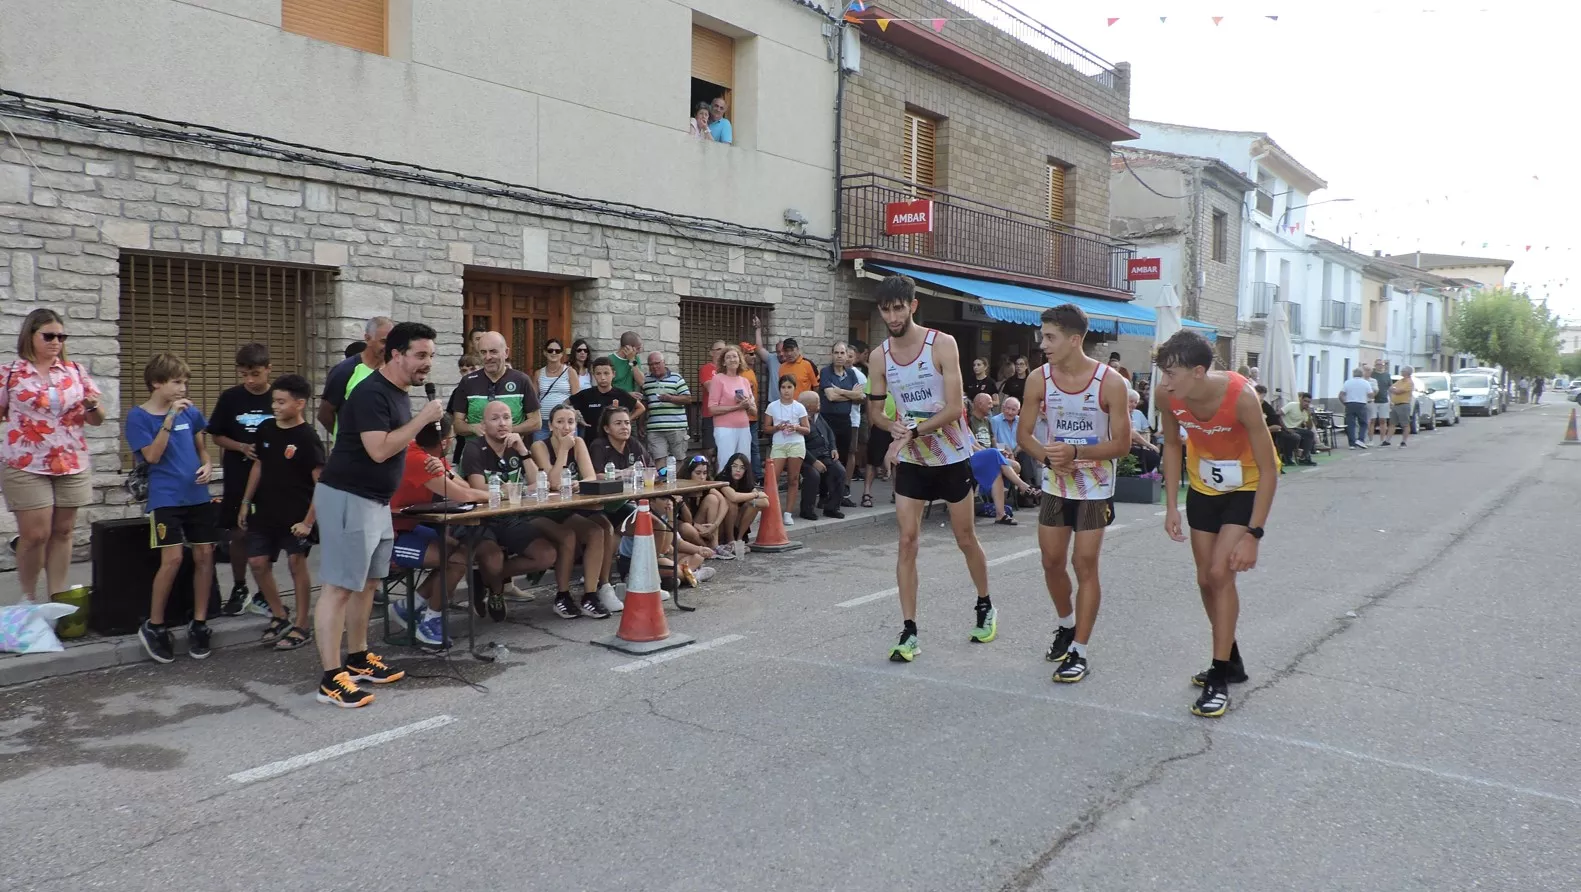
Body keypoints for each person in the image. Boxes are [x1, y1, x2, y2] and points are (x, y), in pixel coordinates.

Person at [311, 322, 444, 708]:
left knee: (368, 583)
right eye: (421, 356)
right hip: (347, 497)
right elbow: (379, 450)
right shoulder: (371, 392)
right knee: (338, 587)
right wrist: (421, 420)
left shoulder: (399, 392)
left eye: (431, 357)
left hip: (375, 502)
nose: (427, 364)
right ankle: (331, 679)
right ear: (396, 354)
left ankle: (357, 657)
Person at [867, 274, 993, 662]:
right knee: (907, 541)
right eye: (886, 309)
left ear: (913, 305)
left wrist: (914, 431)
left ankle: (985, 604)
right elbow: (874, 410)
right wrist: (892, 428)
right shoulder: (878, 356)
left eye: (898, 307)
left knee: (965, 538)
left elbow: (957, 407)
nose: (892, 316)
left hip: (952, 455)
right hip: (913, 461)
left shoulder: (942, 343)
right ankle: (909, 631)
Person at [1156, 329, 1279, 718]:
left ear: (1197, 372)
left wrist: (1254, 535)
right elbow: (1173, 445)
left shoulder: (1241, 399)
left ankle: (1220, 676)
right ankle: (1231, 657)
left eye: (1171, 374)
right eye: (1162, 373)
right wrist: (1171, 505)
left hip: (1247, 487)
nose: (1164, 382)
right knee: (1204, 579)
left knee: (1219, 574)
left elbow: (1269, 470)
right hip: (1204, 486)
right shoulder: (1168, 397)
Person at [1018, 304, 1131, 683]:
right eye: (1042, 335)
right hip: (1055, 485)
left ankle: (1080, 651)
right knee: (1051, 561)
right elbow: (1024, 436)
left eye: (1049, 337)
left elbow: (1123, 445)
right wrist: (1049, 460)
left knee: (1084, 564)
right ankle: (1066, 625)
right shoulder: (1039, 379)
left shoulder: (1110, 382)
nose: (1042, 343)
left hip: (1095, 488)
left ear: (1074, 339)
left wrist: (1078, 452)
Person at [0, 309, 105, 605]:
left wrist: (92, 407)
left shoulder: (75, 372)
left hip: (71, 461)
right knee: (35, 534)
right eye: (49, 336)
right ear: (30, 336)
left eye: (61, 336)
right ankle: (29, 600)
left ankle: (57, 599)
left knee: (63, 530)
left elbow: (97, 419)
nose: (56, 341)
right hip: (25, 463)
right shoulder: (10, 374)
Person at [127, 354, 217, 664]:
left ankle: (200, 623)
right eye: (177, 381)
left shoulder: (191, 413)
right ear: (157, 383)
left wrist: (208, 465)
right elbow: (151, 456)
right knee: (173, 559)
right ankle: (155, 624)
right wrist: (168, 420)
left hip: (198, 495)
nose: (183, 387)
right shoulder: (139, 417)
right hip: (165, 497)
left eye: (185, 382)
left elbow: (202, 450)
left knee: (205, 555)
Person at [461, 401, 578, 619]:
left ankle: (484, 577)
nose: (502, 423)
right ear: (484, 425)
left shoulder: (517, 446)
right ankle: (496, 590)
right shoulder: (474, 448)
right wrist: (513, 490)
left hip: (510, 518)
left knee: (546, 555)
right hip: (480, 520)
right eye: (495, 419)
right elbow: (477, 487)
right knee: (493, 558)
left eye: (506, 417)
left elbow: (538, 482)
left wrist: (523, 452)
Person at [388, 415, 497, 648]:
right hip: (390, 536)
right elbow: (465, 495)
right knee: (456, 561)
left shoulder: (430, 455)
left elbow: (464, 486)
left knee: (459, 554)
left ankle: (409, 607)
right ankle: (430, 620)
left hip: (410, 527)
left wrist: (447, 472)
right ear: (446, 441)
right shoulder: (417, 458)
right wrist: (497, 496)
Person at [237, 374, 322, 651]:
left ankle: (301, 625)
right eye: (273, 401)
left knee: (296, 565)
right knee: (258, 562)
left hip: (296, 515)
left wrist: (308, 522)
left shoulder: (308, 438)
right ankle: (279, 615)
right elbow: (259, 466)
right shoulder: (265, 430)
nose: (275, 406)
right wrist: (245, 501)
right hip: (265, 512)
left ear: (299, 404)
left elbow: (321, 484)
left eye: (281, 402)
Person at [532, 403, 623, 616]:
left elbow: (590, 476)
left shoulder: (579, 442)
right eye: (560, 422)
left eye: (570, 422)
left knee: (605, 526)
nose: (566, 427)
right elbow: (552, 483)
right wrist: (563, 450)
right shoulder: (540, 446)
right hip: (547, 510)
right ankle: (563, 595)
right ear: (550, 425)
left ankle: (595, 591)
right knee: (592, 531)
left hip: (575, 505)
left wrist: (578, 484)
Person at [209, 342, 276, 617]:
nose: (250, 380)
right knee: (238, 532)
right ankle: (239, 586)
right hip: (238, 473)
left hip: (272, 478)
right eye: (244, 374)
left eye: (256, 374)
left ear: (268, 370)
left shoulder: (279, 396)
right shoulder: (230, 398)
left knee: (269, 533)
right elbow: (216, 435)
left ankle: (265, 589)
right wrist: (240, 447)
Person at [449, 330, 540, 456]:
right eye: (483, 352)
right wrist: (472, 428)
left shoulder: (521, 380)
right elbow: (457, 424)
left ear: (506, 352)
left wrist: (505, 430)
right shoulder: (467, 382)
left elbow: (536, 422)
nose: (488, 357)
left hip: (512, 454)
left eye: (493, 351)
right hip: (477, 457)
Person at [318, 316, 393, 443]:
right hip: (350, 457)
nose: (388, 347)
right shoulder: (345, 370)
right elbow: (324, 415)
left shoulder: (394, 370)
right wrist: (348, 440)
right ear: (368, 338)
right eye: (384, 342)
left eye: (392, 342)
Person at [765, 376, 810, 527]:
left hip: (795, 443)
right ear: (779, 389)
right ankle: (771, 510)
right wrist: (778, 427)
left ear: (794, 389)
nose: (786, 391)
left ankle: (788, 513)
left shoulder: (799, 407)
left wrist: (796, 427)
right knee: (772, 478)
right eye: (783, 387)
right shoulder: (772, 406)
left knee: (793, 479)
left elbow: (807, 429)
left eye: (789, 387)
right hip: (779, 444)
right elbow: (766, 428)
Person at [797, 391, 846, 521]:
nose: (820, 404)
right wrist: (814, 462)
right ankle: (807, 510)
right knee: (813, 475)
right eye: (817, 402)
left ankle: (832, 508)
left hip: (825, 454)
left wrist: (833, 448)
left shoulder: (818, 416)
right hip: (807, 458)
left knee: (839, 471)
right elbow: (799, 445)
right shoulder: (798, 420)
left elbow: (829, 432)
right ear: (808, 406)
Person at [569, 356, 643, 440]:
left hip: (615, 442)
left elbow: (640, 408)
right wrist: (576, 415)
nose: (603, 377)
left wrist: (625, 420)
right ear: (593, 375)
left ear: (613, 374)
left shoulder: (620, 394)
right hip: (591, 442)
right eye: (598, 374)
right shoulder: (586, 394)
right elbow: (566, 404)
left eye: (606, 373)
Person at [703, 346, 756, 461]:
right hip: (724, 428)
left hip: (744, 427)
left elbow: (754, 411)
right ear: (724, 362)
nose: (732, 360)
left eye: (735, 356)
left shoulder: (745, 381)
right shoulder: (718, 379)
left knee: (744, 462)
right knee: (726, 461)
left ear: (740, 360)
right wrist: (738, 406)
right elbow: (712, 409)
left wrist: (748, 405)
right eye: (728, 357)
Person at [818, 342, 861, 481]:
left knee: (843, 456)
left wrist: (840, 391)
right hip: (828, 420)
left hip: (845, 420)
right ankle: (825, 493)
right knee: (828, 455)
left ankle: (841, 492)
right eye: (836, 353)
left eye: (842, 353)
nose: (839, 356)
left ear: (846, 355)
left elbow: (860, 396)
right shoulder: (825, 372)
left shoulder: (851, 373)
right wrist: (850, 395)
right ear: (832, 354)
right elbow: (831, 396)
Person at [715, 452, 768, 555]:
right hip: (721, 523)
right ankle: (730, 540)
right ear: (729, 467)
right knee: (731, 503)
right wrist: (755, 495)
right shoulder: (722, 478)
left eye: (742, 467)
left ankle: (739, 540)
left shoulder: (746, 481)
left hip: (738, 521)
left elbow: (765, 502)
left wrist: (748, 500)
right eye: (734, 466)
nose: (738, 470)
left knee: (754, 505)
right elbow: (733, 497)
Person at [642, 352, 692, 462]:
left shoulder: (676, 378)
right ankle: (661, 480)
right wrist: (641, 424)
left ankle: (679, 480)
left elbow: (688, 399)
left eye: (657, 363)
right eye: (651, 364)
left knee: (679, 460)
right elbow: (644, 404)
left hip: (676, 428)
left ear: (664, 362)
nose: (654, 367)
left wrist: (670, 398)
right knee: (658, 459)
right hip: (655, 429)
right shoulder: (645, 380)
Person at [533, 338, 579, 433]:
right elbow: (534, 398)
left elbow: (577, 398)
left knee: (567, 446)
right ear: (545, 353)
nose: (554, 353)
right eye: (550, 350)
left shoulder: (570, 372)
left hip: (565, 422)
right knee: (540, 447)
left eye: (557, 351)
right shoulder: (538, 373)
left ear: (562, 354)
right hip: (544, 422)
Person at [1255, 384, 1297, 471]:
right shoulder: (1251, 405)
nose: (1257, 397)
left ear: (1264, 395)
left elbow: (1276, 425)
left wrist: (1268, 429)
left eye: (1260, 395)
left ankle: (1277, 465)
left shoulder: (1267, 407)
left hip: (1270, 431)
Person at [1338, 367, 1373, 449]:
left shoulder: (1347, 382)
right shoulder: (1365, 383)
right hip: (1361, 404)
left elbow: (1341, 395)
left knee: (1351, 424)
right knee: (1363, 423)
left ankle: (1352, 444)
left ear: (1353, 374)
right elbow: (1371, 394)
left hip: (1350, 404)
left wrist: (1345, 403)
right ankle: (1360, 439)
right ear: (1362, 374)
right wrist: (1369, 398)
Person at [1279, 392, 1319, 465]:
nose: (1306, 403)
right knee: (1295, 437)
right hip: (1284, 428)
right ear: (1301, 400)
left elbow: (1309, 427)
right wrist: (1286, 428)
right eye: (1305, 401)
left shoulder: (1305, 411)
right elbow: (1278, 415)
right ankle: (1287, 457)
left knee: (1310, 434)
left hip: (1295, 429)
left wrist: (1309, 416)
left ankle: (1304, 457)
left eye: (1308, 402)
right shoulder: (1292, 405)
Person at [1127, 389, 1160, 475]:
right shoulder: (1122, 413)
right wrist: (1149, 445)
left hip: (1131, 446)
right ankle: (1140, 476)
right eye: (1131, 401)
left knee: (1153, 455)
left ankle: (1140, 475)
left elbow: (1145, 430)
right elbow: (1131, 433)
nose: (1133, 404)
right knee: (1153, 457)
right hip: (1122, 449)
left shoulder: (1133, 413)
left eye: (1135, 402)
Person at [1383, 366, 1414, 447]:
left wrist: (1394, 390)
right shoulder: (1400, 381)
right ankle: (1387, 440)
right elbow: (1390, 388)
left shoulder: (1409, 382)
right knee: (1392, 423)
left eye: (1403, 371)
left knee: (1405, 424)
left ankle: (1404, 441)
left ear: (1407, 372)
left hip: (1404, 404)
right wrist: (1394, 389)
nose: (1401, 372)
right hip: (1395, 405)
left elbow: (1398, 391)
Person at [1369, 359, 1392, 443]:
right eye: (1378, 364)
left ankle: (1382, 440)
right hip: (1373, 400)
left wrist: (1391, 400)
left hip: (1384, 400)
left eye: (1381, 364)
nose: (1380, 366)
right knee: (1372, 420)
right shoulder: (1372, 374)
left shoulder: (1387, 375)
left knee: (1383, 420)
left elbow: (1389, 389)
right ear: (1375, 365)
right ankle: (1370, 440)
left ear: (1384, 365)